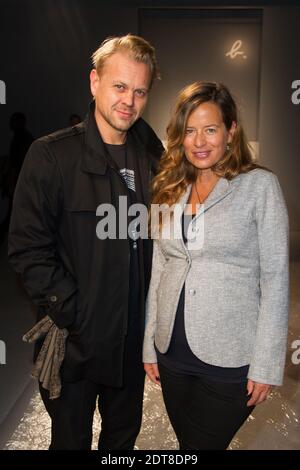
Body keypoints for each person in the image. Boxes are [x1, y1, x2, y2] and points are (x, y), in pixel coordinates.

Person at [8, 34, 164, 450]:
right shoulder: (51, 156)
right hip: (76, 343)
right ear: (95, 82)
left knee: (122, 443)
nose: (128, 100)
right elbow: (27, 247)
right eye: (119, 86)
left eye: (139, 91)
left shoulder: (153, 155)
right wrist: (73, 311)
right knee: (70, 442)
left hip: (131, 343)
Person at [143, 81, 289, 450]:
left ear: (231, 131)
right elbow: (159, 269)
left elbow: (275, 279)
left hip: (232, 357)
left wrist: (267, 363)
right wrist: (149, 345)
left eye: (210, 129)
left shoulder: (260, 186)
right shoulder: (168, 188)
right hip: (172, 351)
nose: (199, 141)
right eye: (189, 131)